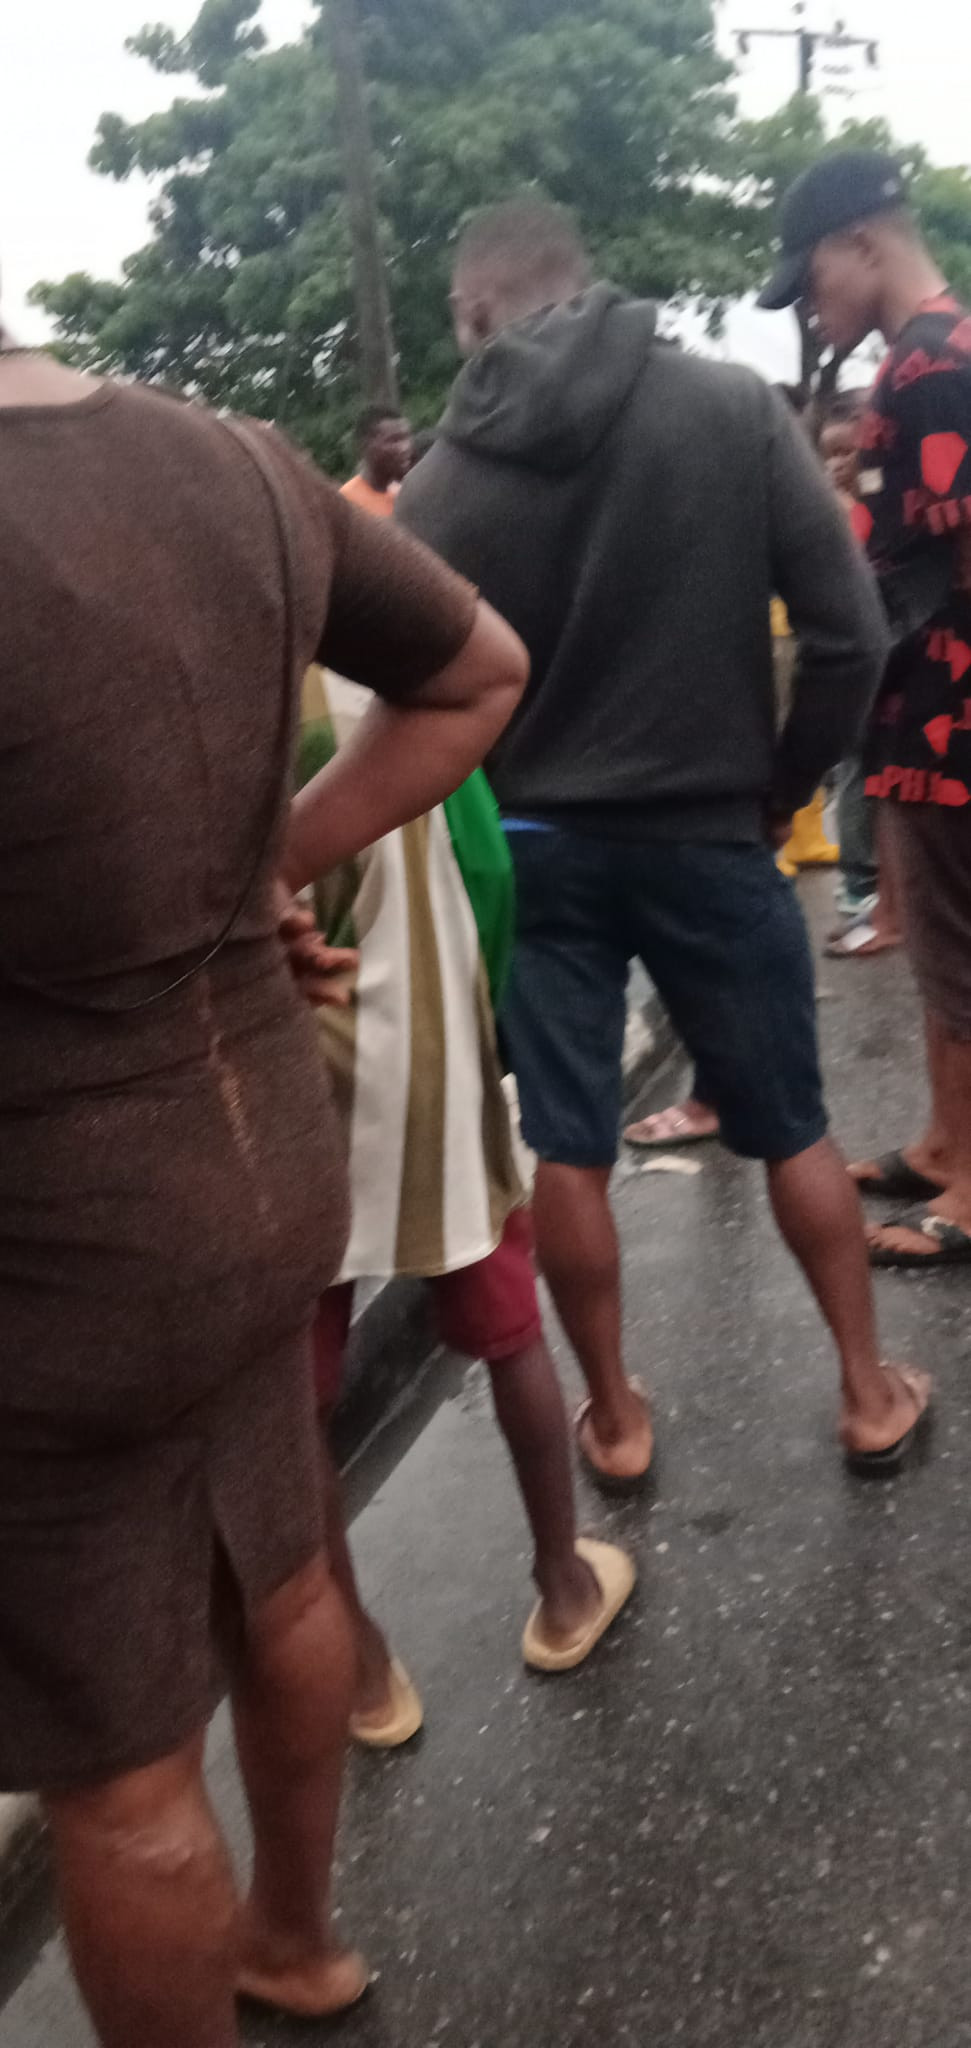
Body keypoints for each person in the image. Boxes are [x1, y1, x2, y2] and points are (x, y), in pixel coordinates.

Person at [0, 319, 528, 2048]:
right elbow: (481, 670)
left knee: (115, 1753)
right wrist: (268, 865)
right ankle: (296, 1939)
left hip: (56, 1234)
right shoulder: (232, 460)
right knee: (284, 1572)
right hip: (263, 1155)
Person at [398, 196, 931, 1481]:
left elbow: (400, 690)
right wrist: (781, 785)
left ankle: (619, 1420)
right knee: (791, 1123)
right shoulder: (727, 409)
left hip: (533, 844)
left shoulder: (437, 483)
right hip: (707, 834)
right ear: (580, 280)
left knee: (567, 1141)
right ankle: (864, 1394)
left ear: (476, 311)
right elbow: (850, 635)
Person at [300, 671, 634, 1741]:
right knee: (503, 1330)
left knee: (288, 1396)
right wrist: (478, 1014)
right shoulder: (386, 684)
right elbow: (485, 863)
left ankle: (359, 1666)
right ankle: (560, 1584)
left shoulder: (201, 691)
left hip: (273, 1086)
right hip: (425, 1075)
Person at [759, 151, 971, 1266]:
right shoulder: (922, 357)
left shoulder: (930, 362)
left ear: (861, 244)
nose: (809, 305)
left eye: (810, 279)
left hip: (954, 712)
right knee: (937, 939)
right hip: (925, 707)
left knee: (961, 941)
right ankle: (945, 1140)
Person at [341, 404, 414, 517]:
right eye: (393, 440)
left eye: (406, 438)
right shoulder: (347, 502)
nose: (405, 448)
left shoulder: (408, 494)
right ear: (365, 446)